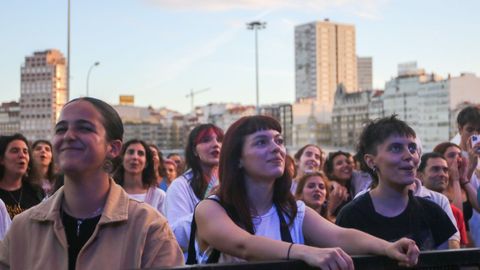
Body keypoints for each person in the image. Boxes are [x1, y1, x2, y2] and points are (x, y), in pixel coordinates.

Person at [193, 115, 419, 268]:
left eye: (279, 141)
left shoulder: (293, 211)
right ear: (238, 158)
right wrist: (305, 252)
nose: (275, 148)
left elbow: (340, 235)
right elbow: (244, 245)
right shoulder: (210, 209)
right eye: (261, 142)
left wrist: (388, 246)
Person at [0, 97, 183, 269]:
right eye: (61, 129)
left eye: (85, 128)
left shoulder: (149, 228)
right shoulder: (23, 227)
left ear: (113, 148)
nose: (69, 136)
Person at [336, 116, 457, 250]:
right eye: (396, 148)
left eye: (412, 148)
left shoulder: (433, 213)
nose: (409, 156)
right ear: (371, 161)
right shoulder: (352, 216)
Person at [165, 124, 223, 254]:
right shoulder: (179, 186)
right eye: (206, 140)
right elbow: (176, 237)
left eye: (219, 139)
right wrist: (211, 205)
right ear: (194, 150)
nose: (216, 144)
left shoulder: (231, 181)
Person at [417, 152, 466, 247]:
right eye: (435, 169)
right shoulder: (406, 200)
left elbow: (455, 241)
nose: (442, 174)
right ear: (419, 176)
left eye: (445, 170)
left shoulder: (454, 211)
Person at [114, 139, 166, 215]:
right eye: (130, 152)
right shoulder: (110, 193)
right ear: (122, 159)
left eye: (140, 154)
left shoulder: (158, 196)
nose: (135, 157)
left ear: (146, 163)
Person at [453, 106, 480, 247]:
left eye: (479, 131)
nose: (474, 135)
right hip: (468, 226)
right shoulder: (452, 157)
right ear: (460, 129)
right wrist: (471, 165)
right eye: (470, 130)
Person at [0, 134, 44, 219]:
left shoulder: (37, 192)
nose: (22, 155)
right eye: (15, 151)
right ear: (2, 159)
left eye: (25, 151)